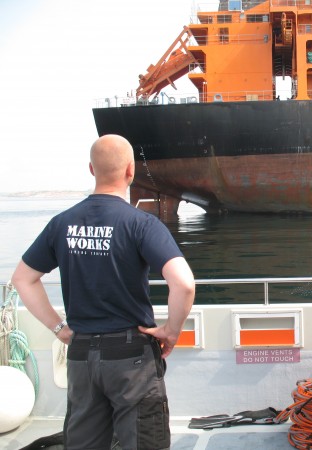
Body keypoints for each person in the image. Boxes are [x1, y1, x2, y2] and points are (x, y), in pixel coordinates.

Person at [11, 134, 195, 450]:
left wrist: (60, 328)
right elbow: (184, 283)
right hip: (131, 358)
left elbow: (23, 279)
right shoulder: (141, 224)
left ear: (91, 169)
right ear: (130, 171)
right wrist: (171, 331)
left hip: (81, 355)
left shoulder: (61, 224)